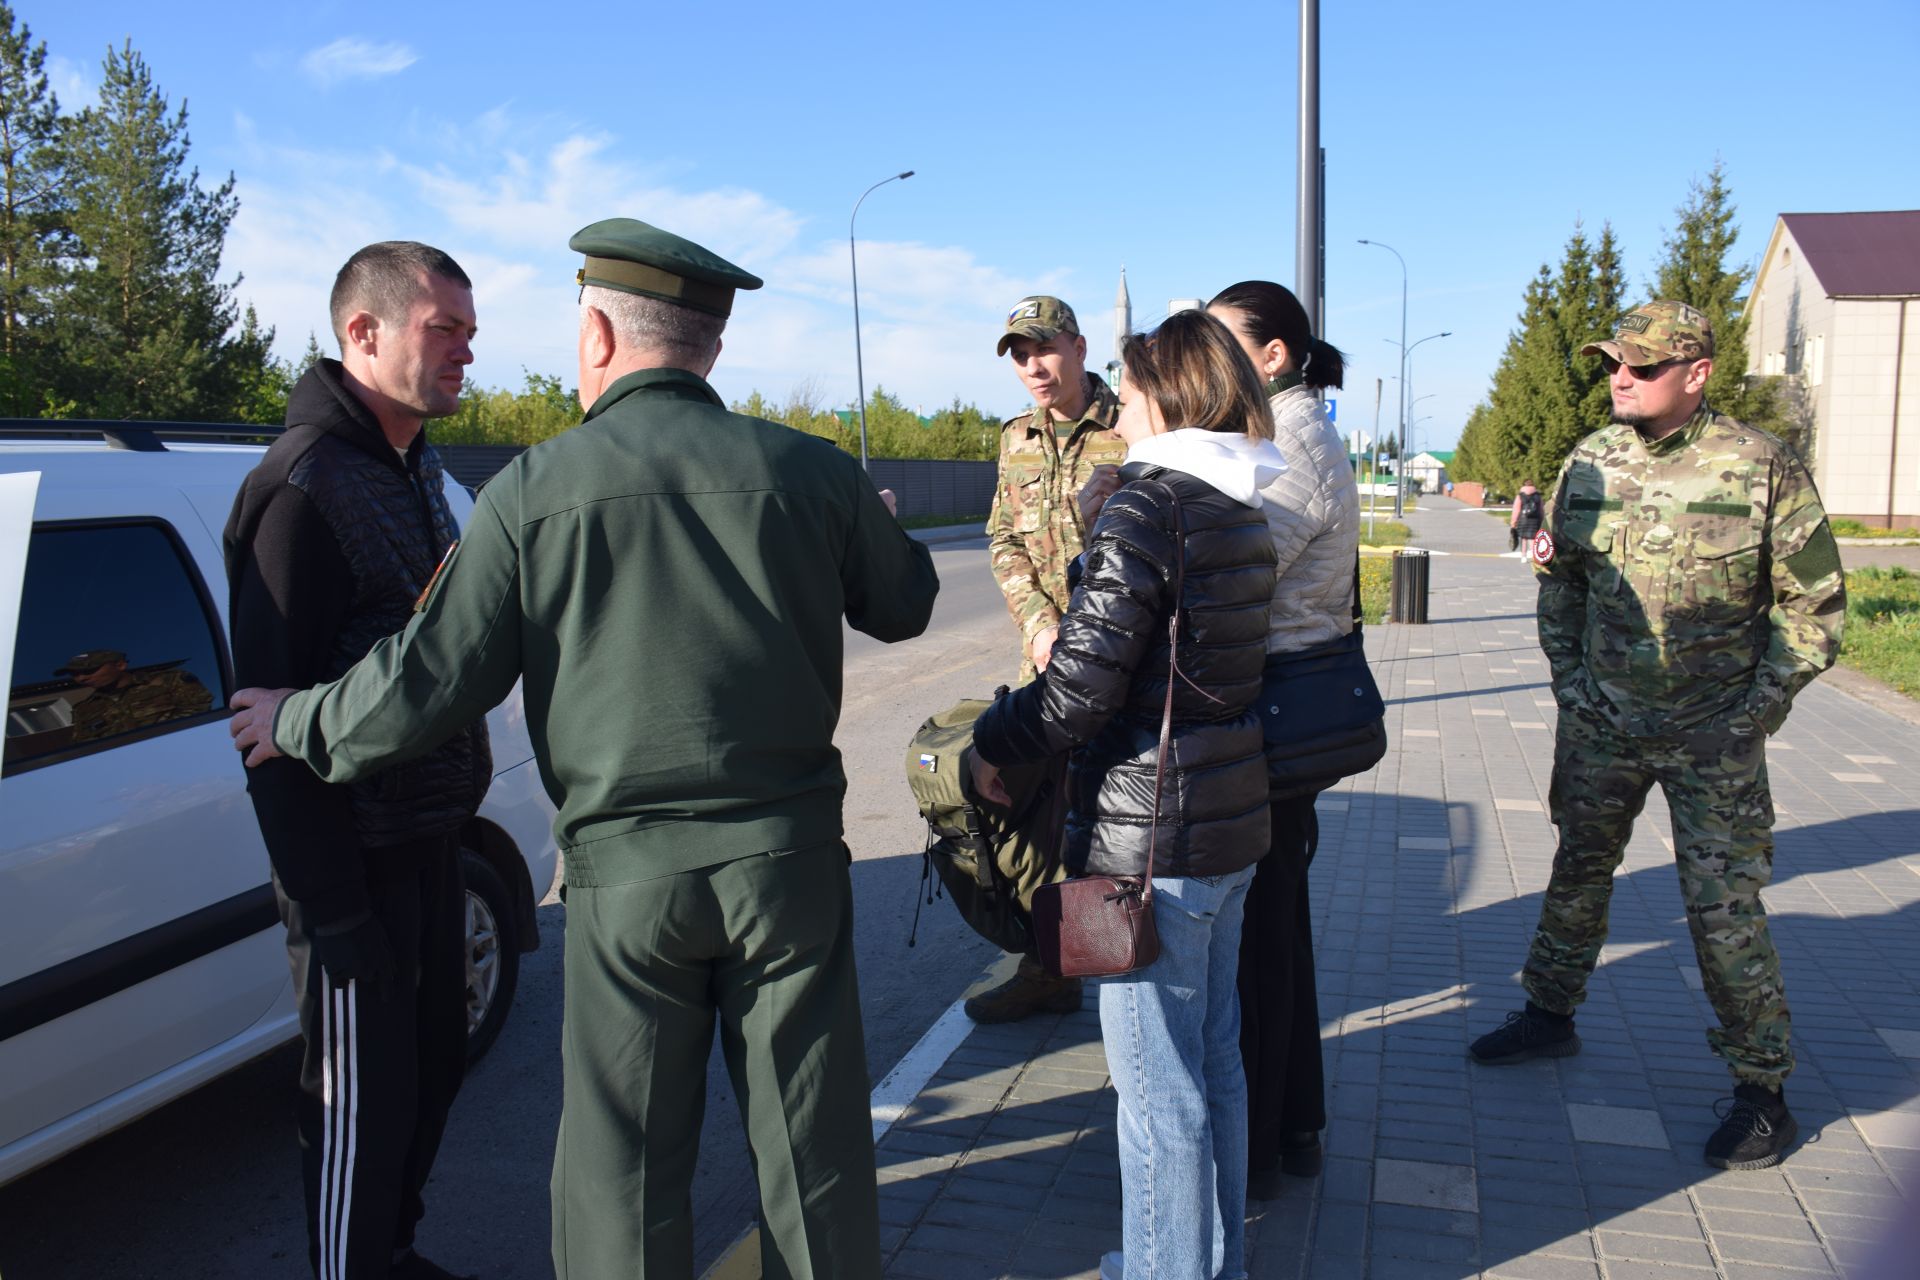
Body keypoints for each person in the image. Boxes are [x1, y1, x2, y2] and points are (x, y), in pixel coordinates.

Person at [230, 217, 940, 1279]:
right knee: (814, 1150)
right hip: (786, 871)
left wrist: (293, 721)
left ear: (600, 333)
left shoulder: (531, 491)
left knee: (621, 1175)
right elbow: (910, 602)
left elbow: (422, 685)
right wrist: (859, 521)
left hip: (630, 888)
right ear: (708, 344)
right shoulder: (810, 472)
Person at [1468, 300, 1846, 1171]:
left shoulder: (1760, 468)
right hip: (1603, 724)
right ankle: (1549, 1014)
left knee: (1723, 914)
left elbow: (1815, 610)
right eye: (1613, 365)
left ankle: (1763, 1091)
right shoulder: (1591, 462)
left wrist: (1751, 715)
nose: (1620, 380)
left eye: (1640, 368)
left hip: (1714, 738)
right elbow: (1560, 581)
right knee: (1576, 870)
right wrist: (1571, 684)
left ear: (1698, 373)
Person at [970, 309, 1281, 1280]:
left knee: (1155, 1094)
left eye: (1133, 385)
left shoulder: (1152, 507)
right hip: (1221, 831)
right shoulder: (1240, 505)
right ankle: (1200, 1261)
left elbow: (1076, 690)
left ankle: (1163, 1269)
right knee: (1213, 1066)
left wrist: (992, 742)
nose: (1123, 400)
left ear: (1166, 395)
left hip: (1138, 854)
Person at [224, 241, 489, 1280]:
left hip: (428, 841)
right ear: (363, 333)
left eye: (470, 329)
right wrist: (332, 911)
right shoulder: (301, 491)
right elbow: (262, 723)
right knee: (355, 1110)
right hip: (352, 870)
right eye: (446, 329)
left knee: (431, 1073)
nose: (467, 350)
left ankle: (390, 1251)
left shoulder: (416, 465)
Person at [1207, 280, 1358, 1196]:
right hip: (1272, 715)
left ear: (1273, 355)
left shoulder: (1292, 440)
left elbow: (1238, 564)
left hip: (1270, 717)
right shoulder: (1283, 430)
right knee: (1273, 927)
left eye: (1227, 343)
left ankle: (1259, 1142)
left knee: (1259, 936)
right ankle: (1290, 1120)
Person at [970, 295, 1129, 1025]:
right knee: (1046, 823)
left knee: (1113, 823)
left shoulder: (1132, 425)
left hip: (1121, 667)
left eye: (1044, 348)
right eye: (1019, 354)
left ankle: (1126, 983)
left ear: (1080, 346)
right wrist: (1039, 627)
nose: (1033, 365)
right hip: (1049, 668)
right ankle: (1055, 970)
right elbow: (1002, 538)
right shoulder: (1015, 440)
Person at [57, 648, 212, 742]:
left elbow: (200, 710)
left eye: (89, 671)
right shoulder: (84, 710)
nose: (81, 678)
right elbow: (84, 746)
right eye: (74, 674)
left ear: (120, 665)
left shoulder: (169, 681)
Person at [1510, 480, 1544, 554]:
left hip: (1523, 519)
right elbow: (1541, 509)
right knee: (1533, 538)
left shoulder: (1520, 496)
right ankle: (1533, 554)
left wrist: (1513, 522)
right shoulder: (1537, 496)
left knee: (1523, 538)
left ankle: (1523, 556)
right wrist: (1542, 519)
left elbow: (1516, 510)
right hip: (1535, 519)